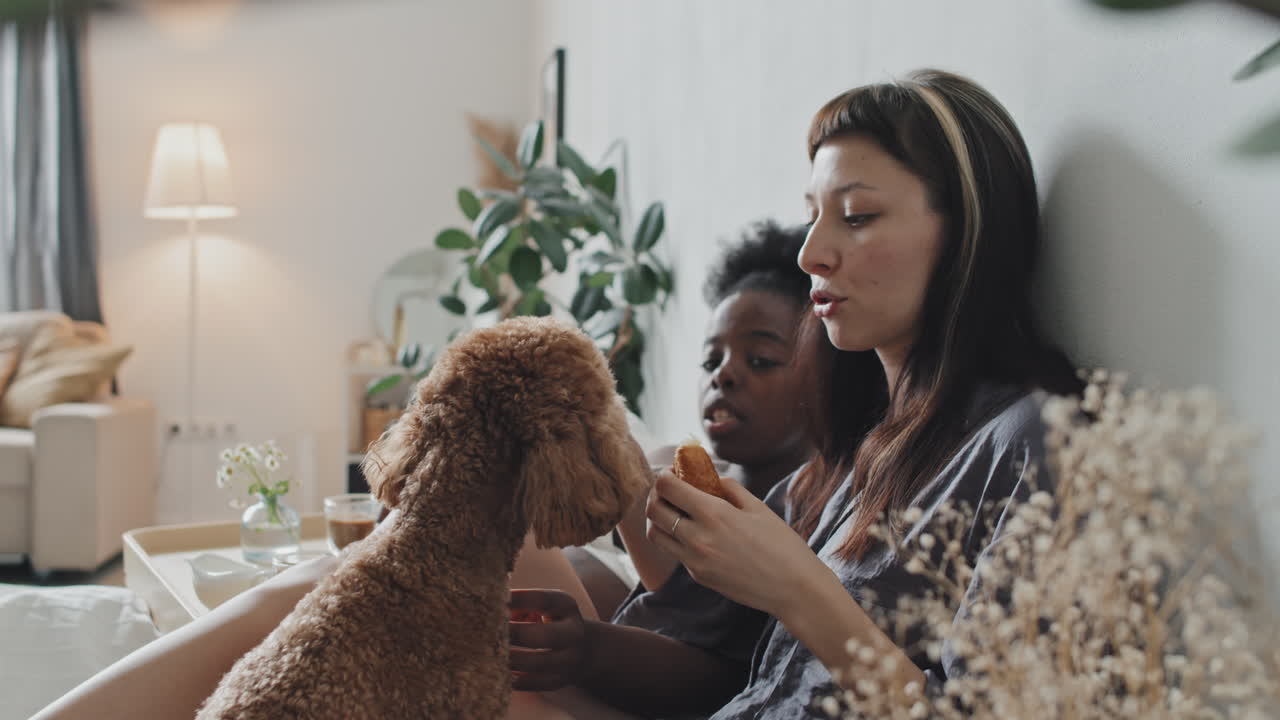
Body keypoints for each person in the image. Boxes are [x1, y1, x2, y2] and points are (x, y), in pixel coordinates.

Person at [509, 68, 1080, 719]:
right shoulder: (852, 460)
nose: (811, 252)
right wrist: (587, 647)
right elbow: (729, 676)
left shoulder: (1033, 443)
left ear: (965, 234)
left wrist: (796, 588)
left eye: (857, 216)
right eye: (813, 217)